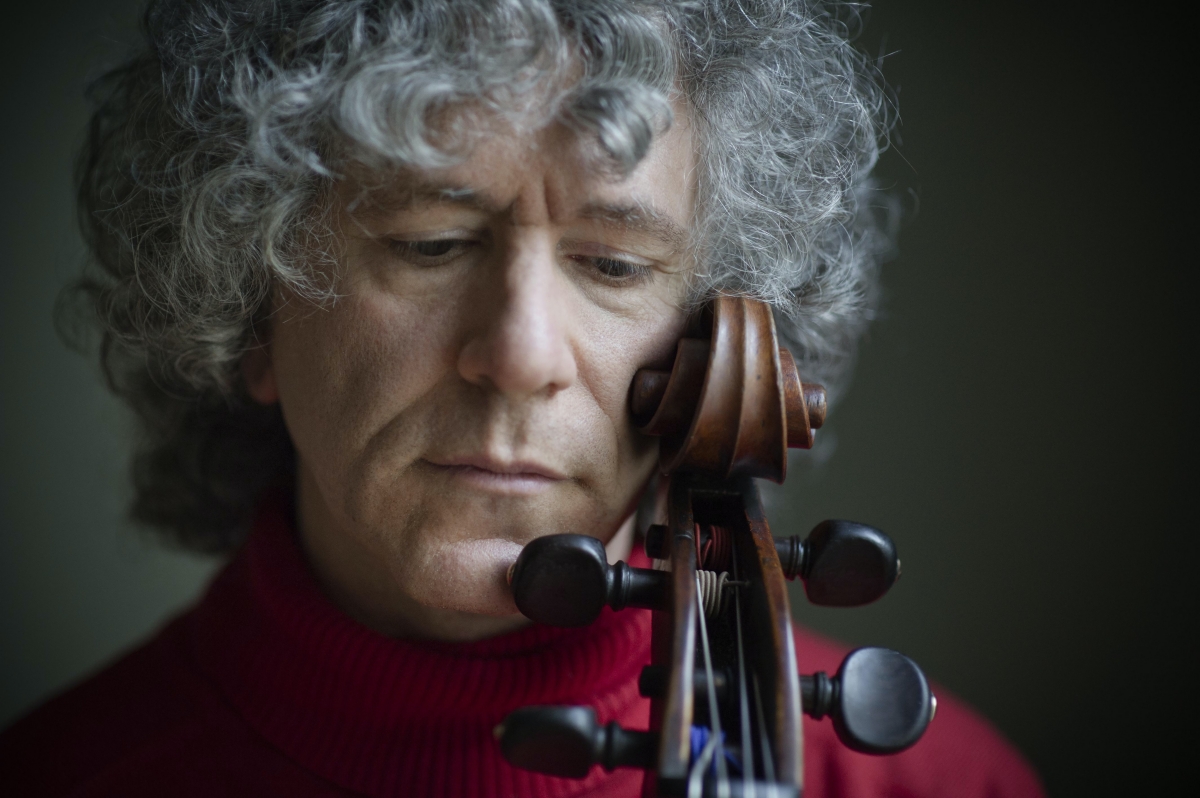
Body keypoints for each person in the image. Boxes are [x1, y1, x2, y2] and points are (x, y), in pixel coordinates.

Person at [0, 0, 1045, 795]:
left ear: (720, 341)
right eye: (430, 244)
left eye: (613, 264)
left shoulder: (946, 783)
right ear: (252, 311)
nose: (519, 353)